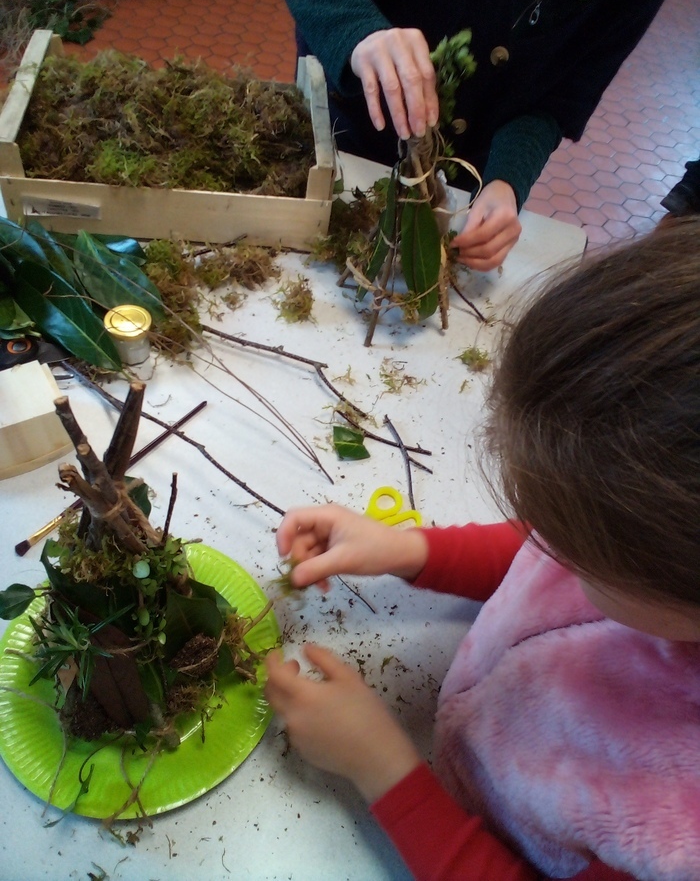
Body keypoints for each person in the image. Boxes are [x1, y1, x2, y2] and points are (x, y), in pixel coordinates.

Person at [265, 217, 700, 881]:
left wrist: (381, 768)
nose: (550, 546)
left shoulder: (676, 827)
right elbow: (543, 555)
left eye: (579, 551)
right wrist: (409, 549)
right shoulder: (651, 556)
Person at [263, 0, 694, 270]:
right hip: (341, 134)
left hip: (454, 177)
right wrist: (355, 29)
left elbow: (557, 99)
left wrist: (505, 182)